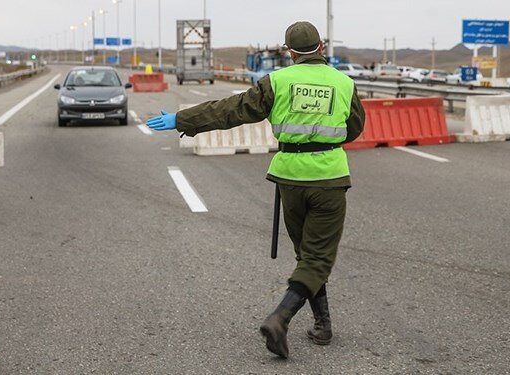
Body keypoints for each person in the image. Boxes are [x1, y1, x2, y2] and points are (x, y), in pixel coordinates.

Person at [146, 21, 365, 359]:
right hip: (329, 178)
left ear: (289, 52)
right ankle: (280, 318)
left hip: (290, 178)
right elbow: (354, 129)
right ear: (322, 47)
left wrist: (182, 119)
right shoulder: (344, 83)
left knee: (307, 255)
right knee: (318, 257)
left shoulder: (276, 81)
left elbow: (231, 111)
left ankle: (323, 326)